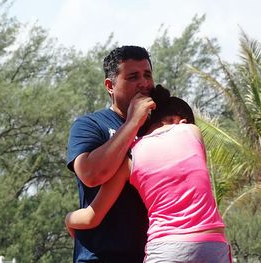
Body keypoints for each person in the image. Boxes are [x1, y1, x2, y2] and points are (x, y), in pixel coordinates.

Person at [66, 94, 231, 263]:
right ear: (181, 121)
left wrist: (69, 219)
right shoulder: (192, 131)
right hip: (214, 244)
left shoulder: (131, 157)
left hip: (167, 248)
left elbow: (91, 218)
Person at [66, 45, 156, 262]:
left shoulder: (160, 129)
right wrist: (133, 121)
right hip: (100, 257)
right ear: (110, 86)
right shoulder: (89, 125)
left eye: (147, 75)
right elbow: (92, 174)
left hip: (154, 255)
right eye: (133, 77)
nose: (143, 83)